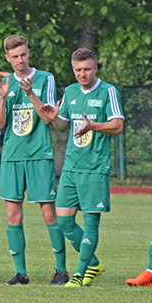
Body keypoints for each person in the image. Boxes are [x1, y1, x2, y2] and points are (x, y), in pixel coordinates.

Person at [40, 48, 124, 287]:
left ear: (95, 68)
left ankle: (79, 273)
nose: (82, 74)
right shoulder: (70, 91)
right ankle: (93, 263)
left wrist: (93, 126)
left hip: (95, 168)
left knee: (90, 223)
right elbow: (63, 126)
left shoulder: (108, 91)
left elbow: (117, 126)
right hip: (71, 167)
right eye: (78, 70)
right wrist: (54, 116)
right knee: (64, 221)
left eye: (87, 69)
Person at [0, 35, 67, 285]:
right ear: (7, 57)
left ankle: (61, 270)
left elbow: (47, 118)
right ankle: (21, 274)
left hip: (38, 155)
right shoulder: (3, 83)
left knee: (49, 215)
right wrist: (2, 97)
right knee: (13, 217)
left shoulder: (45, 78)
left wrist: (31, 93)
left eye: (23, 54)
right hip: (12, 157)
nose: (20, 60)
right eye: (14, 56)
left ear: (28, 52)